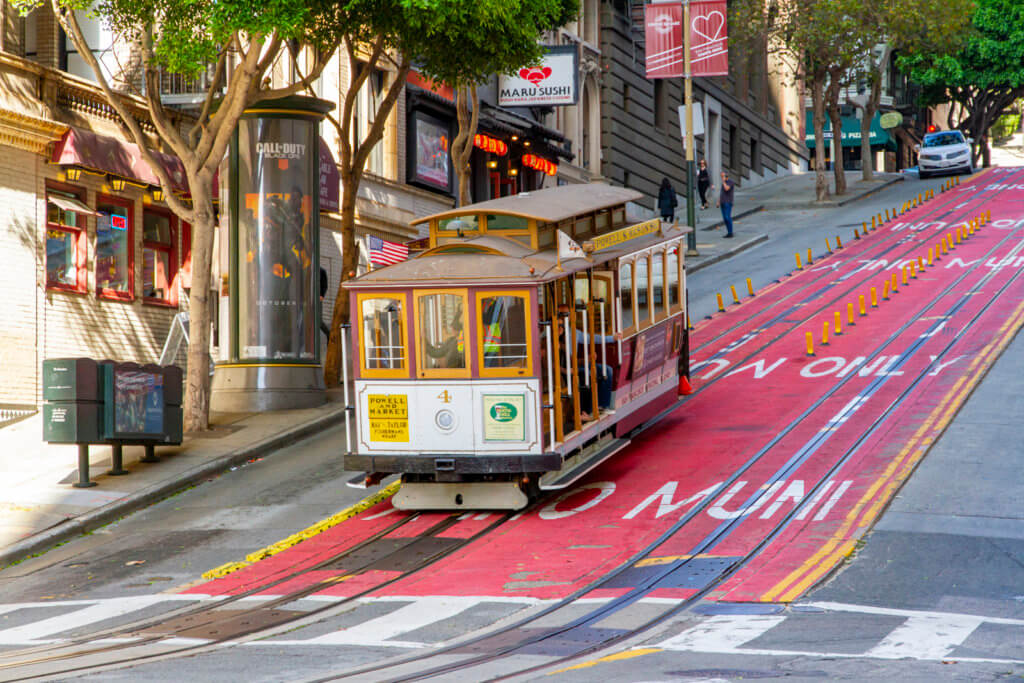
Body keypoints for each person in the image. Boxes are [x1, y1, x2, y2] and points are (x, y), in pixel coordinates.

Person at [717, 171, 735, 238]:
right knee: (725, 218)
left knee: (728, 217)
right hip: (722, 202)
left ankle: (731, 232)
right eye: (721, 176)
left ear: (726, 176)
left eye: (722, 176)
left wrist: (724, 182)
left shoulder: (730, 182)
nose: (721, 178)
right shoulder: (723, 183)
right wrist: (718, 201)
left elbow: (727, 189)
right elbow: (722, 193)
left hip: (728, 202)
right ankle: (728, 232)